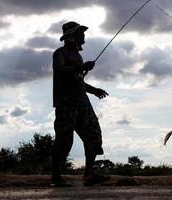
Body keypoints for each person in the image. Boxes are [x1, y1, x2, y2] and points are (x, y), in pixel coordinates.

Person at [51, 21, 110, 186]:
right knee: (64, 140)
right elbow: (60, 71)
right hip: (66, 104)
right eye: (80, 33)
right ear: (71, 36)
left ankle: (89, 174)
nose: (83, 35)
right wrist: (81, 67)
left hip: (83, 103)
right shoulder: (60, 53)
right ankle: (56, 178)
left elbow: (77, 82)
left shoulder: (78, 55)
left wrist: (94, 90)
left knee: (93, 135)